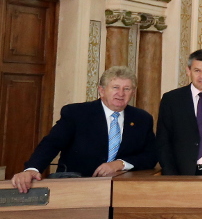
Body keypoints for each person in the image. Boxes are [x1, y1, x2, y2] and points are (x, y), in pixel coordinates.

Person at [11, 66, 157, 192]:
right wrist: (32, 169)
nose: (121, 93)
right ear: (101, 90)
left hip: (123, 191)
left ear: (133, 92)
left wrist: (120, 164)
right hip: (77, 187)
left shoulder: (142, 118)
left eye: (127, 89)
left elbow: (151, 155)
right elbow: (51, 143)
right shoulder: (76, 113)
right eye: (115, 87)